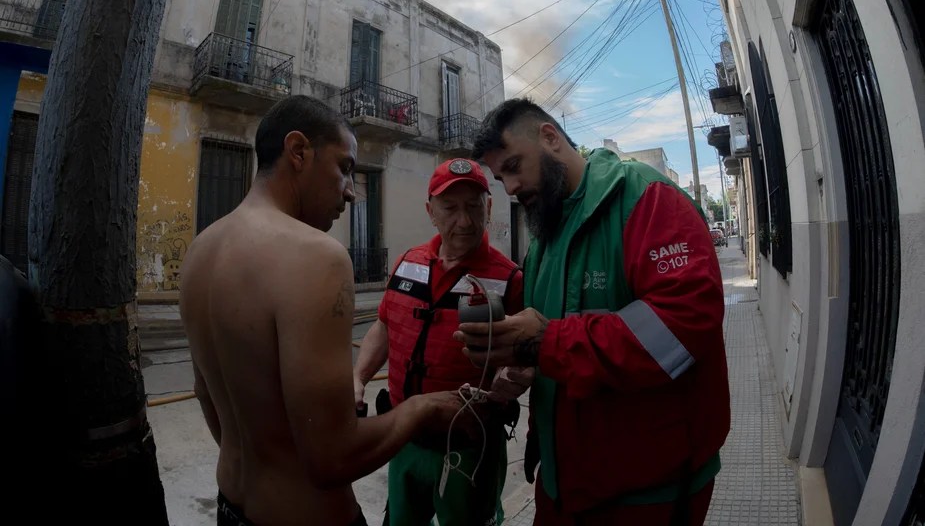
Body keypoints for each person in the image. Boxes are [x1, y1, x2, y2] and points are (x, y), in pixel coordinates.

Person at [180, 96, 463, 526]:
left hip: (231, 504)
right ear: (298, 151)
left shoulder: (200, 250)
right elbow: (332, 457)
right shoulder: (317, 256)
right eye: (345, 168)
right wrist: (423, 408)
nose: (351, 191)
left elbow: (206, 394)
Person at [456, 99, 731, 526]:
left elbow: (682, 328)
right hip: (564, 482)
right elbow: (556, 349)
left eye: (513, 166)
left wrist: (546, 342)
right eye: (500, 177)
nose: (508, 187)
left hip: (649, 489)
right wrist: (526, 366)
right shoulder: (545, 236)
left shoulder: (646, 197)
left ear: (550, 137)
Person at [353, 157, 525, 526]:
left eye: (474, 207)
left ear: (489, 207)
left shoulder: (508, 279)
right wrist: (359, 378)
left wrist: (512, 375)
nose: (463, 221)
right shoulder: (407, 264)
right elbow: (384, 326)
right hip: (404, 437)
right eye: (450, 208)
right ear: (431, 212)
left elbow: (522, 352)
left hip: (469, 447)